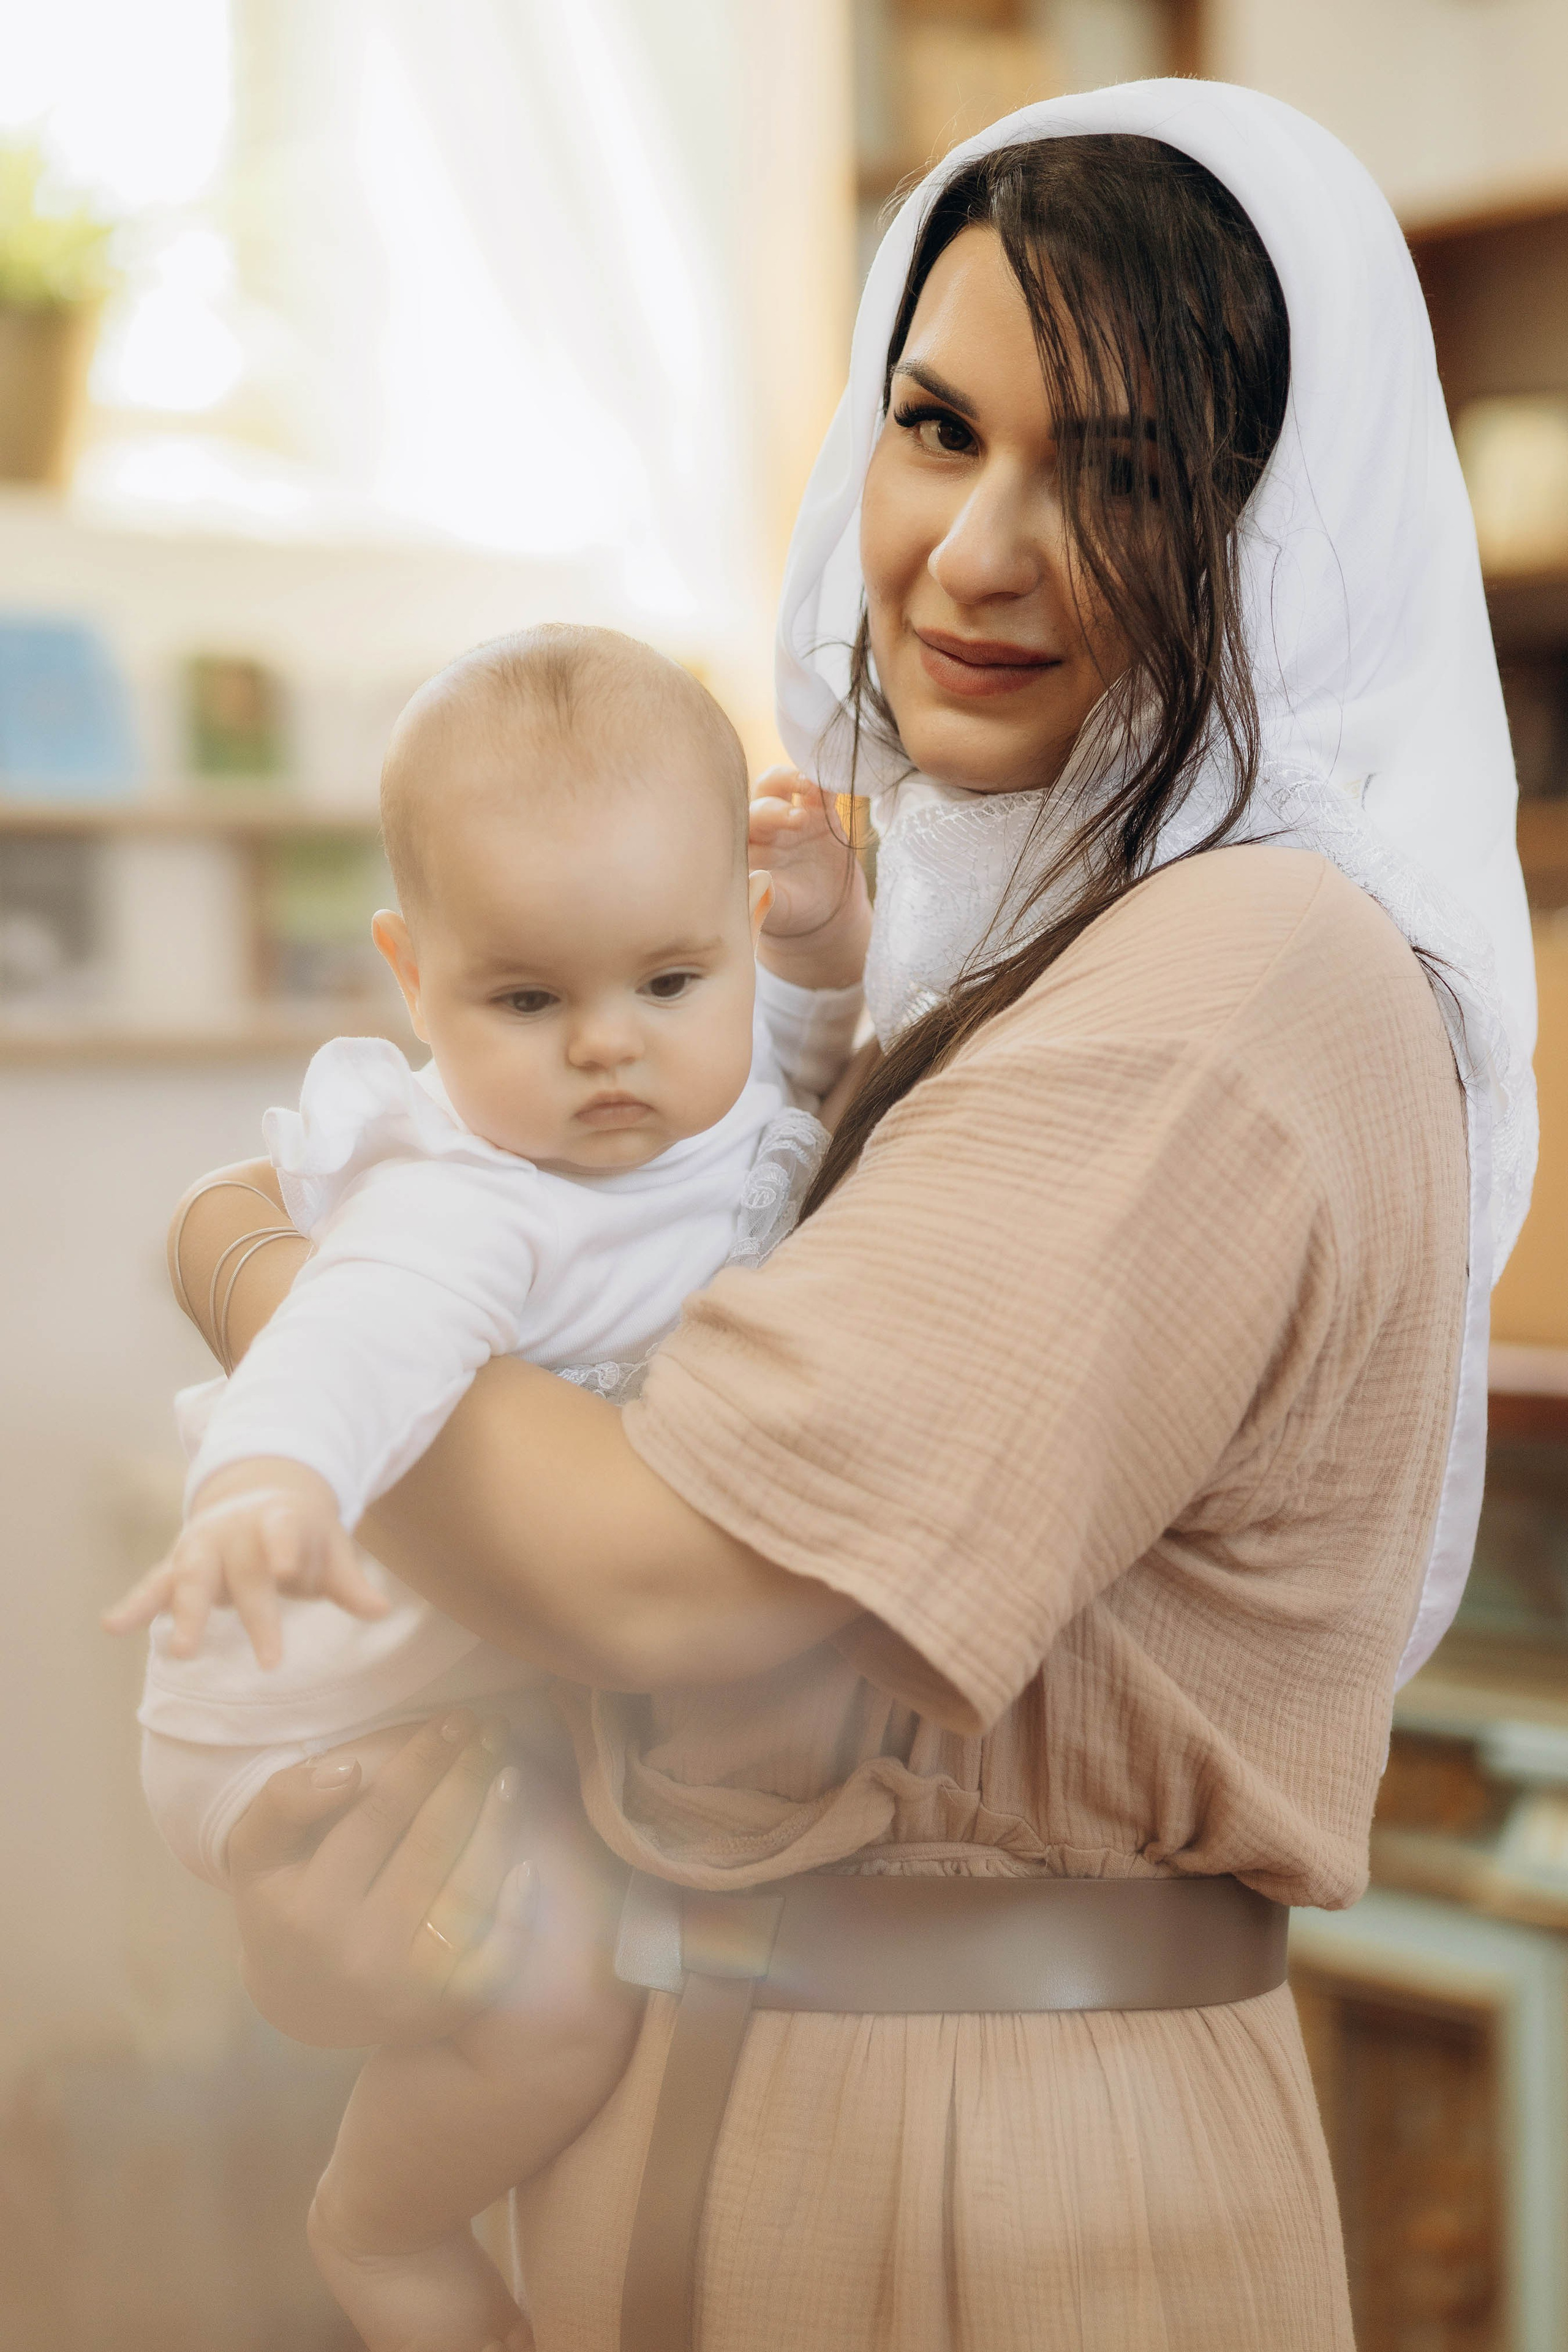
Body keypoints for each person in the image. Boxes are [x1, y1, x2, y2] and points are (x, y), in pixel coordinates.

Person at [146, 82, 1534, 2352]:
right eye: (937, 424)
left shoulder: (1249, 969)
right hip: (694, 2128)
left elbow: (669, 1568)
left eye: (1126, 475)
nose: (978, 549)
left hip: (1011, 2199)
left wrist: (251, 1250)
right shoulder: (936, 957)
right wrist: (383, 1907)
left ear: (1277, 535)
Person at [115, 624, 862, 2352]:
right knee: (553, 2021)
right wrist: (274, 1483)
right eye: (527, 1001)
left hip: (472, 1676)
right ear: (414, 975)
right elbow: (346, 1334)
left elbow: (812, 1074)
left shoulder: (711, 1104)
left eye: (667, 985)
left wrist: (822, 941)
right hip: (298, 1711)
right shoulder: (472, 1198)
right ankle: (381, 2238)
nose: (609, 1049)